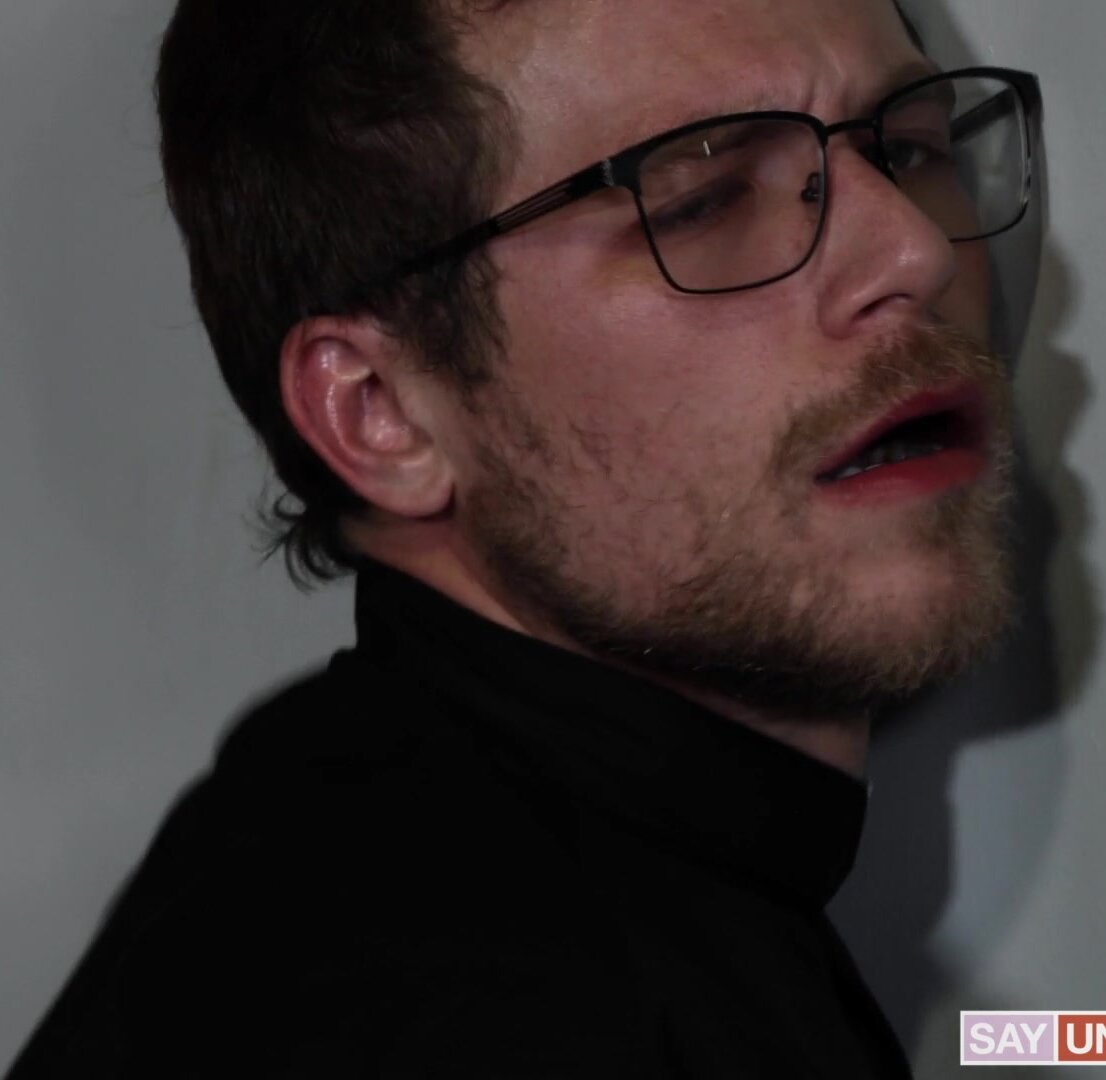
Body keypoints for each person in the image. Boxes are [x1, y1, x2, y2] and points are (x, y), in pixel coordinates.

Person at [8, 0, 1041, 1076]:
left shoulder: (470, 877)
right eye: (701, 200)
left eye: (906, 149)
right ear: (381, 412)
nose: (914, 250)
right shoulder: (460, 1010)